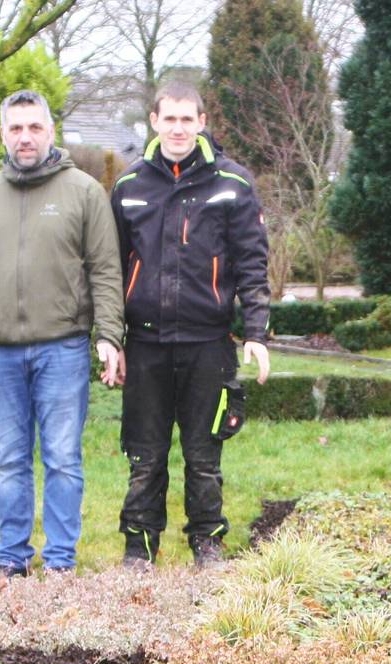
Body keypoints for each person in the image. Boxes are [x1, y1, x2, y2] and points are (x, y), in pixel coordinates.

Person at [0, 89, 124, 577]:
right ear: (3, 134)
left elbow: (105, 270)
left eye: (34, 128)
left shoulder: (85, 192)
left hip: (63, 349)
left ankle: (60, 564)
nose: (25, 137)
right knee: (8, 461)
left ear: (51, 131)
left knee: (63, 459)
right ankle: (11, 561)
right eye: (15, 129)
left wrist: (108, 334)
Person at [111, 80, 270, 569]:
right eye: (169, 119)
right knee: (146, 456)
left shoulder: (233, 185)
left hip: (209, 345)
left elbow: (252, 263)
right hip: (146, 347)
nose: (178, 128)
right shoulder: (128, 187)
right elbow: (110, 271)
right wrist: (111, 340)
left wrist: (257, 334)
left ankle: (208, 543)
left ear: (202, 123)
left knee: (204, 457)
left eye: (188, 119)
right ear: (154, 123)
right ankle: (139, 548)